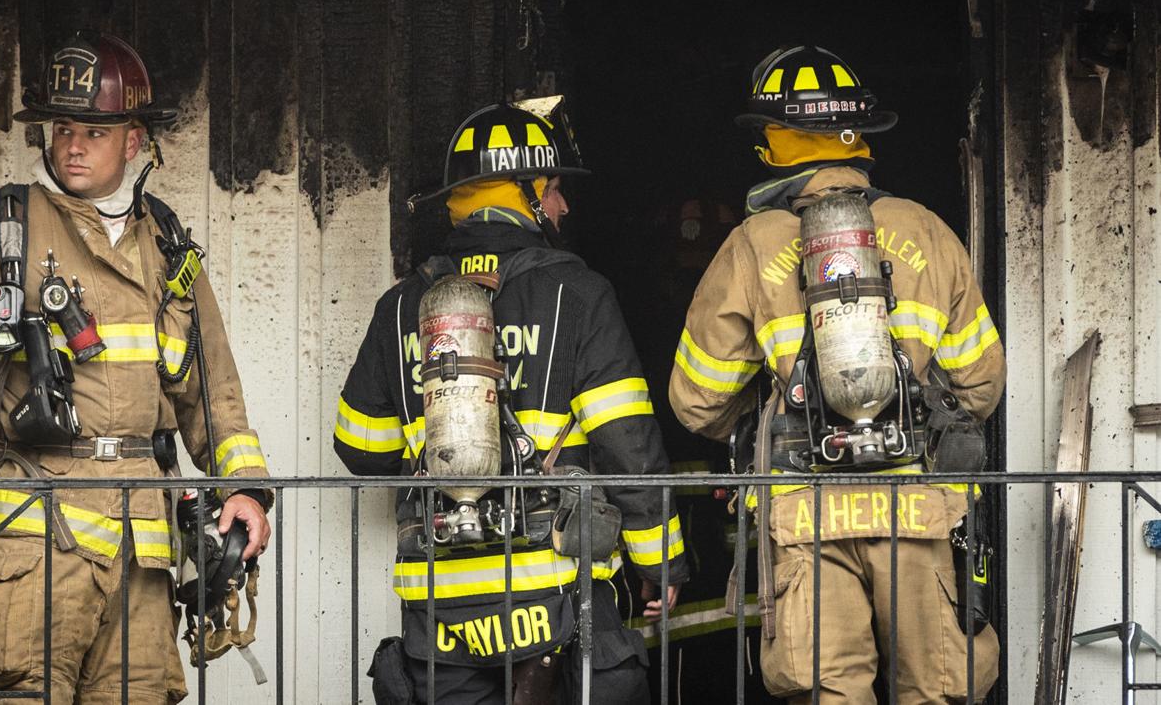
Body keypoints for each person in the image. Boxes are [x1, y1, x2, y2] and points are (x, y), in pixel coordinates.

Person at [0, 31, 272, 704]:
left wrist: (245, 489)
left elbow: (211, 391)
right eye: (63, 127)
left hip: (143, 547)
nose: (73, 144)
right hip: (33, 538)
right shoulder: (4, 226)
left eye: (94, 131)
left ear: (133, 142)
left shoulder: (168, 244)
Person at [668, 45, 1006, 704]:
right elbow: (980, 385)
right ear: (861, 139)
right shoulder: (925, 231)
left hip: (802, 512)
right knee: (935, 690)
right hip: (919, 511)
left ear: (772, 144)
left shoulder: (754, 242)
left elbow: (695, 399)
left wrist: (771, 419)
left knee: (826, 691)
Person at [336, 97, 688, 704]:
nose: (563, 205)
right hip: (555, 594)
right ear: (524, 192)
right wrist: (662, 564)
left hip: (442, 609)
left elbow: (361, 447)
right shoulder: (578, 295)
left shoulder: (400, 307)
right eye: (553, 189)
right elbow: (627, 443)